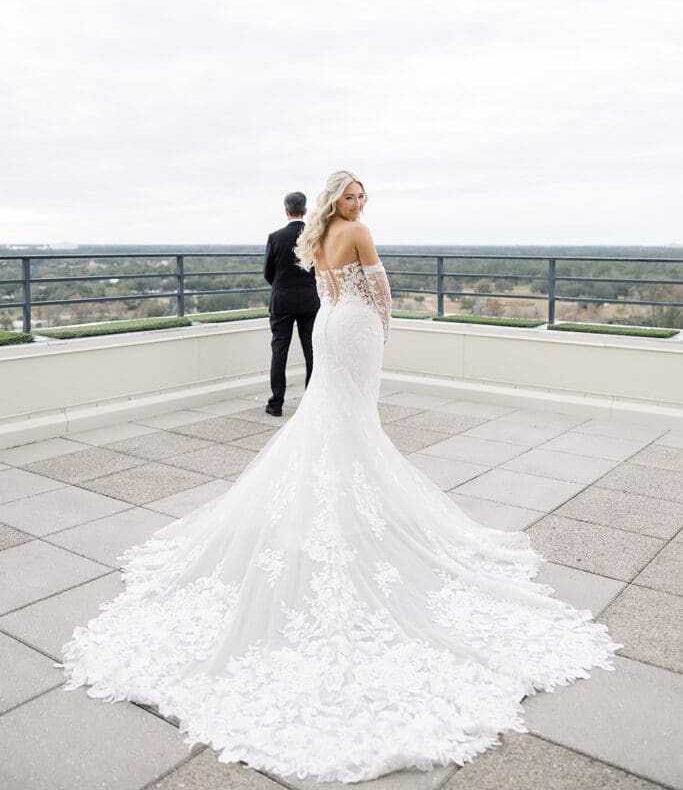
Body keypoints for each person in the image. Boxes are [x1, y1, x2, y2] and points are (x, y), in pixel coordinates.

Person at [61, 169, 620, 785]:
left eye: (362, 196)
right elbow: (381, 296)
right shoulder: (357, 231)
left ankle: (339, 501)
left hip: (330, 326)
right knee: (355, 421)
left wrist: (353, 313)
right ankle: (356, 508)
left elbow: (328, 288)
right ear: (336, 200)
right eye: (352, 195)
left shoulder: (318, 234)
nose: (359, 203)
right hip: (352, 331)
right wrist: (384, 332)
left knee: (331, 419)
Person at [263, 191, 320, 417]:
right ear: (305, 211)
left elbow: (268, 273)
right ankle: (312, 403)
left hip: (282, 301)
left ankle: (276, 403)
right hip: (309, 300)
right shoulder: (315, 235)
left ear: (286, 210)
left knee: (279, 352)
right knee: (312, 352)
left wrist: (282, 287)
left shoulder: (275, 237)